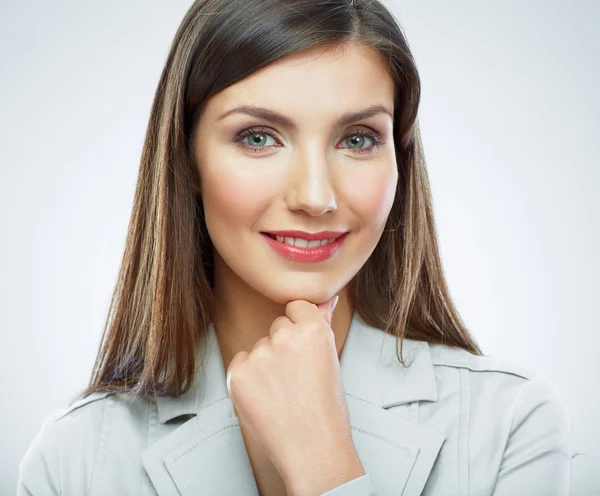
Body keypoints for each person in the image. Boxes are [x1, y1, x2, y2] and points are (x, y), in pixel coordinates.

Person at [17, 0, 573, 494]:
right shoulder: (76, 463)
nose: (314, 196)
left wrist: (324, 464)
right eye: (259, 137)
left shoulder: (510, 428)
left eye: (357, 139)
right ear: (188, 161)